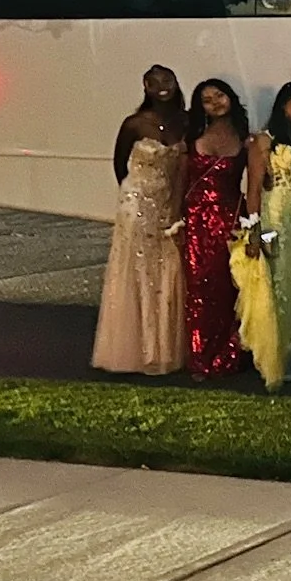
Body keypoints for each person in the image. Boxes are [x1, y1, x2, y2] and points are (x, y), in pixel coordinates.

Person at [91, 66, 189, 376]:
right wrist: (135, 193)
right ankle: (135, 346)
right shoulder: (134, 124)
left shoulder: (185, 121)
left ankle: (163, 345)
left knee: (167, 270)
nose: (162, 86)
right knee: (136, 269)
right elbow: (120, 164)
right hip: (137, 203)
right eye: (155, 82)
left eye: (167, 80)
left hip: (169, 203)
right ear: (145, 86)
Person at [231, 82, 291, 389]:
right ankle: (273, 359)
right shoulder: (263, 140)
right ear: (284, 103)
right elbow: (254, 188)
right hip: (274, 223)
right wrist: (254, 230)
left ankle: (287, 353)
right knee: (275, 290)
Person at [182, 78, 250, 379]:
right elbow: (181, 180)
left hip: (231, 220)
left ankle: (229, 354)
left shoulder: (245, 138)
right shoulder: (192, 136)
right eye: (207, 100)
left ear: (231, 97)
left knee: (231, 287)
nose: (215, 103)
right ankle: (201, 357)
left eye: (219, 95)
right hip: (197, 221)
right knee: (200, 287)